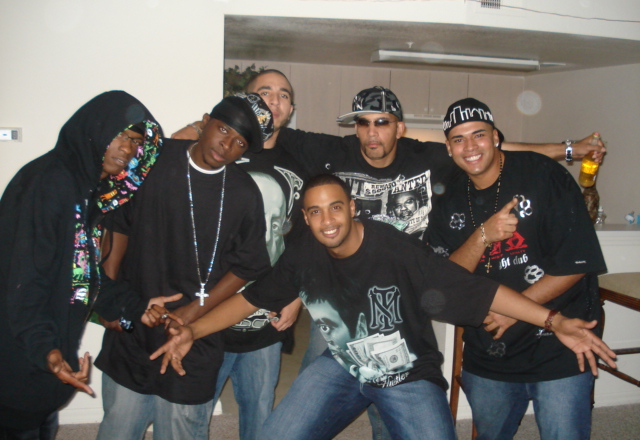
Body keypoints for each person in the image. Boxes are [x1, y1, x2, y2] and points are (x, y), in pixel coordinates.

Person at [150, 174, 617, 440]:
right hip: (341, 366)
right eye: (315, 211)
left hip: (406, 375)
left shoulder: (395, 249)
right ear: (306, 218)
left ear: (352, 207)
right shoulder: (302, 254)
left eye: (335, 207)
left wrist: (555, 320)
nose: (327, 220)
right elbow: (250, 298)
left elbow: (476, 290)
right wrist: (193, 330)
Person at [94, 93, 273, 440]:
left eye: (239, 143)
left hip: (193, 337)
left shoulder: (244, 193)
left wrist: (193, 311)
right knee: (118, 426)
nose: (227, 145)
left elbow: (248, 265)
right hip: (134, 320)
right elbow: (117, 225)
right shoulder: (153, 161)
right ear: (205, 122)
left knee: (182, 430)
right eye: (223, 130)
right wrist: (110, 300)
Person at [427, 98, 607, 440]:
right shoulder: (448, 197)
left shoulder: (543, 175)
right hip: (489, 353)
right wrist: (482, 235)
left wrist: (513, 311)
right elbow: (443, 282)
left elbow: (577, 263)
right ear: (449, 148)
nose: (470, 147)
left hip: (560, 343)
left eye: (479, 135)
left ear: (496, 137)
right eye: (458, 139)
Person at [0, 91, 165, 438]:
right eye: (120, 135)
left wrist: (137, 308)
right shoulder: (49, 182)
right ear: (94, 130)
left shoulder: (84, 192)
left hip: (38, 365)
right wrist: (45, 349)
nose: (127, 149)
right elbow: (24, 279)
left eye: (136, 142)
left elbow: (81, 275)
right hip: (16, 361)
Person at [173, 70, 307, 440]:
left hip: (264, 320)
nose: (274, 100)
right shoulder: (221, 150)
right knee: (191, 413)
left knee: (259, 411)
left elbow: (302, 240)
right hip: (205, 312)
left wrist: (297, 295)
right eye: (265, 92)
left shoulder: (299, 164)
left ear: (290, 108)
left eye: (283, 94)